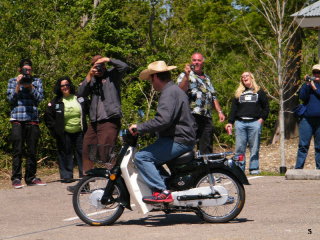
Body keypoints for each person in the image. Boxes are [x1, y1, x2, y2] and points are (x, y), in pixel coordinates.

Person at [129, 61, 196, 203]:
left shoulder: (169, 93)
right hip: (181, 137)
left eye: (150, 79)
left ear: (156, 77)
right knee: (152, 157)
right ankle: (167, 186)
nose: (150, 83)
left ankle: (162, 191)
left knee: (142, 157)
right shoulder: (173, 90)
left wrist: (139, 127)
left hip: (179, 139)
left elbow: (163, 120)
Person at [67, 55, 128, 192]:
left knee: (105, 152)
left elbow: (124, 66)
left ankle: (116, 185)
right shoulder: (92, 79)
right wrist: (89, 75)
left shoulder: (113, 75)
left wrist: (108, 59)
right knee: (87, 150)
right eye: (95, 65)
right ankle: (85, 184)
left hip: (109, 119)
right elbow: (80, 94)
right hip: (94, 121)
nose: (98, 68)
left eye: (100, 65)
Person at [7, 58, 46, 189]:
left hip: (32, 119)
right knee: (17, 150)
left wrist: (30, 86)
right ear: (20, 69)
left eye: (29, 69)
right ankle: (16, 178)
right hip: (17, 119)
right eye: (25, 69)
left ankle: (31, 177)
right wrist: (18, 84)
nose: (27, 71)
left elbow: (40, 98)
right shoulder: (12, 81)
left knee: (32, 150)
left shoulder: (37, 81)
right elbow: (10, 99)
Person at [177, 52, 225, 154]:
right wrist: (186, 75)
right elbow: (180, 90)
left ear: (203, 62)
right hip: (191, 115)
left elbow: (213, 96)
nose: (196, 62)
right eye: (194, 60)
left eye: (199, 60)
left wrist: (220, 111)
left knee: (206, 145)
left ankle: (206, 168)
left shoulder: (207, 78)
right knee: (189, 143)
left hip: (206, 115)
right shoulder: (185, 75)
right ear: (191, 61)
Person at [44, 77, 88, 183]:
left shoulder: (79, 98)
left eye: (67, 85)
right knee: (65, 153)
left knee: (82, 152)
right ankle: (67, 175)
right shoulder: (56, 101)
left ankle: (85, 174)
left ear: (70, 85)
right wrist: (55, 130)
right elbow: (48, 117)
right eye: (62, 86)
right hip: (64, 132)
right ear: (59, 88)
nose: (65, 87)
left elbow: (89, 108)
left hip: (80, 131)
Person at [225, 72, 269, 174]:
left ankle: (254, 169)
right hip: (240, 123)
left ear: (251, 78)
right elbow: (233, 109)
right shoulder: (238, 93)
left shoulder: (259, 92)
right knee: (240, 148)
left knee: (254, 147)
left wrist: (261, 120)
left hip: (254, 123)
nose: (244, 77)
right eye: (242, 76)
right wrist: (230, 122)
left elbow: (266, 107)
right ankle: (240, 169)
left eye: (246, 76)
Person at [295, 64, 320, 170]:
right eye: (314, 72)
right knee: (303, 145)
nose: (316, 75)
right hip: (307, 119)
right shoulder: (308, 85)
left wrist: (314, 88)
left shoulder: (315, 86)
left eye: (318, 73)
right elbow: (302, 97)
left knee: (319, 147)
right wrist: (307, 84)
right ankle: (298, 168)